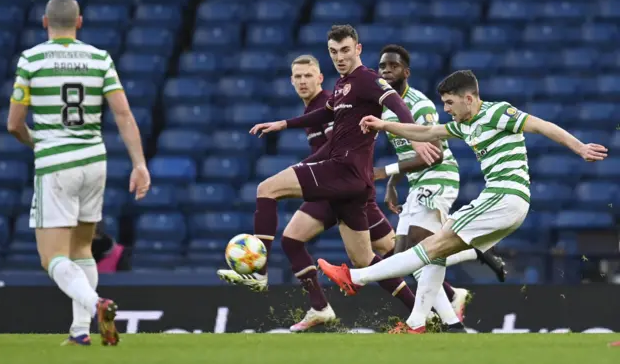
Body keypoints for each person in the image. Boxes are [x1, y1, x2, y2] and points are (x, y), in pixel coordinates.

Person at [318, 69, 608, 333]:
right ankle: (418, 322)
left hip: (503, 196)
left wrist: (580, 147)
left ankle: (356, 277)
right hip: (507, 203)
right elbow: (426, 131)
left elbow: (542, 126)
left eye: (449, 103)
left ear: (468, 99)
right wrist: (384, 125)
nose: (445, 109)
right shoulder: (464, 124)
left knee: (427, 248)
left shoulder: (499, 112)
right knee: (436, 253)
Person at [246, 24, 440, 322]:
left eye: (346, 50)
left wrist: (414, 135)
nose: (340, 57)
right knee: (365, 260)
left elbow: (396, 103)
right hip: (355, 183)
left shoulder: (368, 79)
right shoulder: (343, 84)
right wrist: (284, 124)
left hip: (342, 170)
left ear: (358, 49)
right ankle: (422, 315)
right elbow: (328, 112)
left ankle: (258, 272)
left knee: (266, 189)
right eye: (333, 52)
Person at [218, 54, 418, 332]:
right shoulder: (315, 109)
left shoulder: (334, 99)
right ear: (290, 80)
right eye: (297, 77)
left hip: (342, 183)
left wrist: (301, 166)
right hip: (339, 188)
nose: (302, 81)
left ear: (320, 78)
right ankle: (325, 307)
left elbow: (337, 147)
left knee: (391, 249)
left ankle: (260, 271)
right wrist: (285, 125)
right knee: (359, 256)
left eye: (307, 76)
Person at [7, 0, 151, 346]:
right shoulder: (99, 58)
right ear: (80, 22)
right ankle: (79, 330)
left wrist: (34, 141)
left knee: (51, 255)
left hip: (57, 164)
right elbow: (123, 114)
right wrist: (139, 164)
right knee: (82, 248)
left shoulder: (32, 60)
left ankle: (95, 303)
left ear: (45, 22)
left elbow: (14, 123)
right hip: (94, 161)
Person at [372, 45, 507, 330]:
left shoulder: (418, 105)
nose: (386, 70)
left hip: (438, 178)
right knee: (405, 257)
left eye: (393, 66)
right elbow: (406, 151)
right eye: (382, 66)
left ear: (405, 72)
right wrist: (394, 183)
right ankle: (452, 320)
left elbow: (433, 152)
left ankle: (419, 321)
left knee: (420, 252)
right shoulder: (385, 106)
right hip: (416, 183)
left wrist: (385, 173)